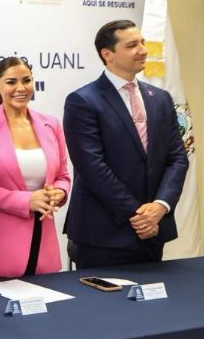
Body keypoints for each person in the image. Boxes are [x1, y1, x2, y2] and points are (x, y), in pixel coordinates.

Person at [63, 20, 189, 269]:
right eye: (132, 45)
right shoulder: (83, 101)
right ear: (107, 54)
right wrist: (138, 215)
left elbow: (177, 158)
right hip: (104, 235)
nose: (143, 50)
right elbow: (92, 168)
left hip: (152, 231)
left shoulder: (160, 99)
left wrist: (160, 207)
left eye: (142, 43)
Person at [0, 57, 70, 279]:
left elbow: (63, 176)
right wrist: (26, 201)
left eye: (26, 80)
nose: (21, 88)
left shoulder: (51, 124)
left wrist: (58, 193)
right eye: (11, 82)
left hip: (42, 246)